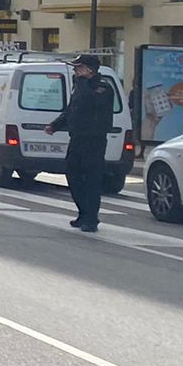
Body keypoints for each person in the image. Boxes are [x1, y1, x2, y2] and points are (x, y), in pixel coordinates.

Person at [46, 53, 117, 232]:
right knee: (73, 176)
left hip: (94, 140)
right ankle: (83, 212)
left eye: (78, 68)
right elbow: (72, 110)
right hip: (77, 139)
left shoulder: (103, 88)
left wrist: (83, 81)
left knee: (91, 180)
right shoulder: (80, 87)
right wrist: (55, 126)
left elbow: (89, 102)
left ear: (89, 70)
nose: (75, 71)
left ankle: (91, 219)